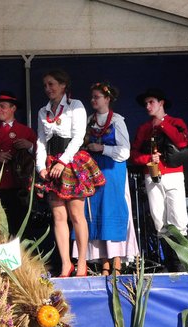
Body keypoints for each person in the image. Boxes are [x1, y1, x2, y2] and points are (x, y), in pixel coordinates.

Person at [35, 69, 105, 277]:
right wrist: (41, 167)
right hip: (52, 162)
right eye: (45, 85)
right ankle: (66, 263)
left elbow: (78, 137)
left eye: (52, 84)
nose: (48, 89)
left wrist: (62, 162)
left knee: (76, 214)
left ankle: (82, 262)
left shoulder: (76, 106)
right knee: (58, 215)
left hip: (71, 161)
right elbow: (41, 140)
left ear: (63, 85)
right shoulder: (43, 111)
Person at [78, 82, 139, 276]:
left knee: (113, 210)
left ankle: (117, 263)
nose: (93, 100)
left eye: (97, 97)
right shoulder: (89, 121)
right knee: (96, 212)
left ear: (107, 99)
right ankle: (104, 263)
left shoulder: (117, 121)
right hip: (93, 170)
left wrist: (102, 148)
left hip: (112, 171)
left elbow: (125, 151)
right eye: (92, 97)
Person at [129, 88, 188, 272]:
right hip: (152, 176)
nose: (148, 106)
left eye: (151, 102)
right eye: (146, 104)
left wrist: (162, 124)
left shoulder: (175, 122)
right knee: (159, 219)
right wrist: (148, 159)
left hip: (173, 174)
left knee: (178, 218)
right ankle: (170, 262)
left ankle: (182, 261)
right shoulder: (143, 128)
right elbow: (133, 155)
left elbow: (182, 142)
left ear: (161, 103)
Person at [0, 90, 37, 237]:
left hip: (20, 187)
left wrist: (29, 146)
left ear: (13, 108)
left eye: (2, 106)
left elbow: (40, 155)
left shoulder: (26, 131)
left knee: (20, 227)